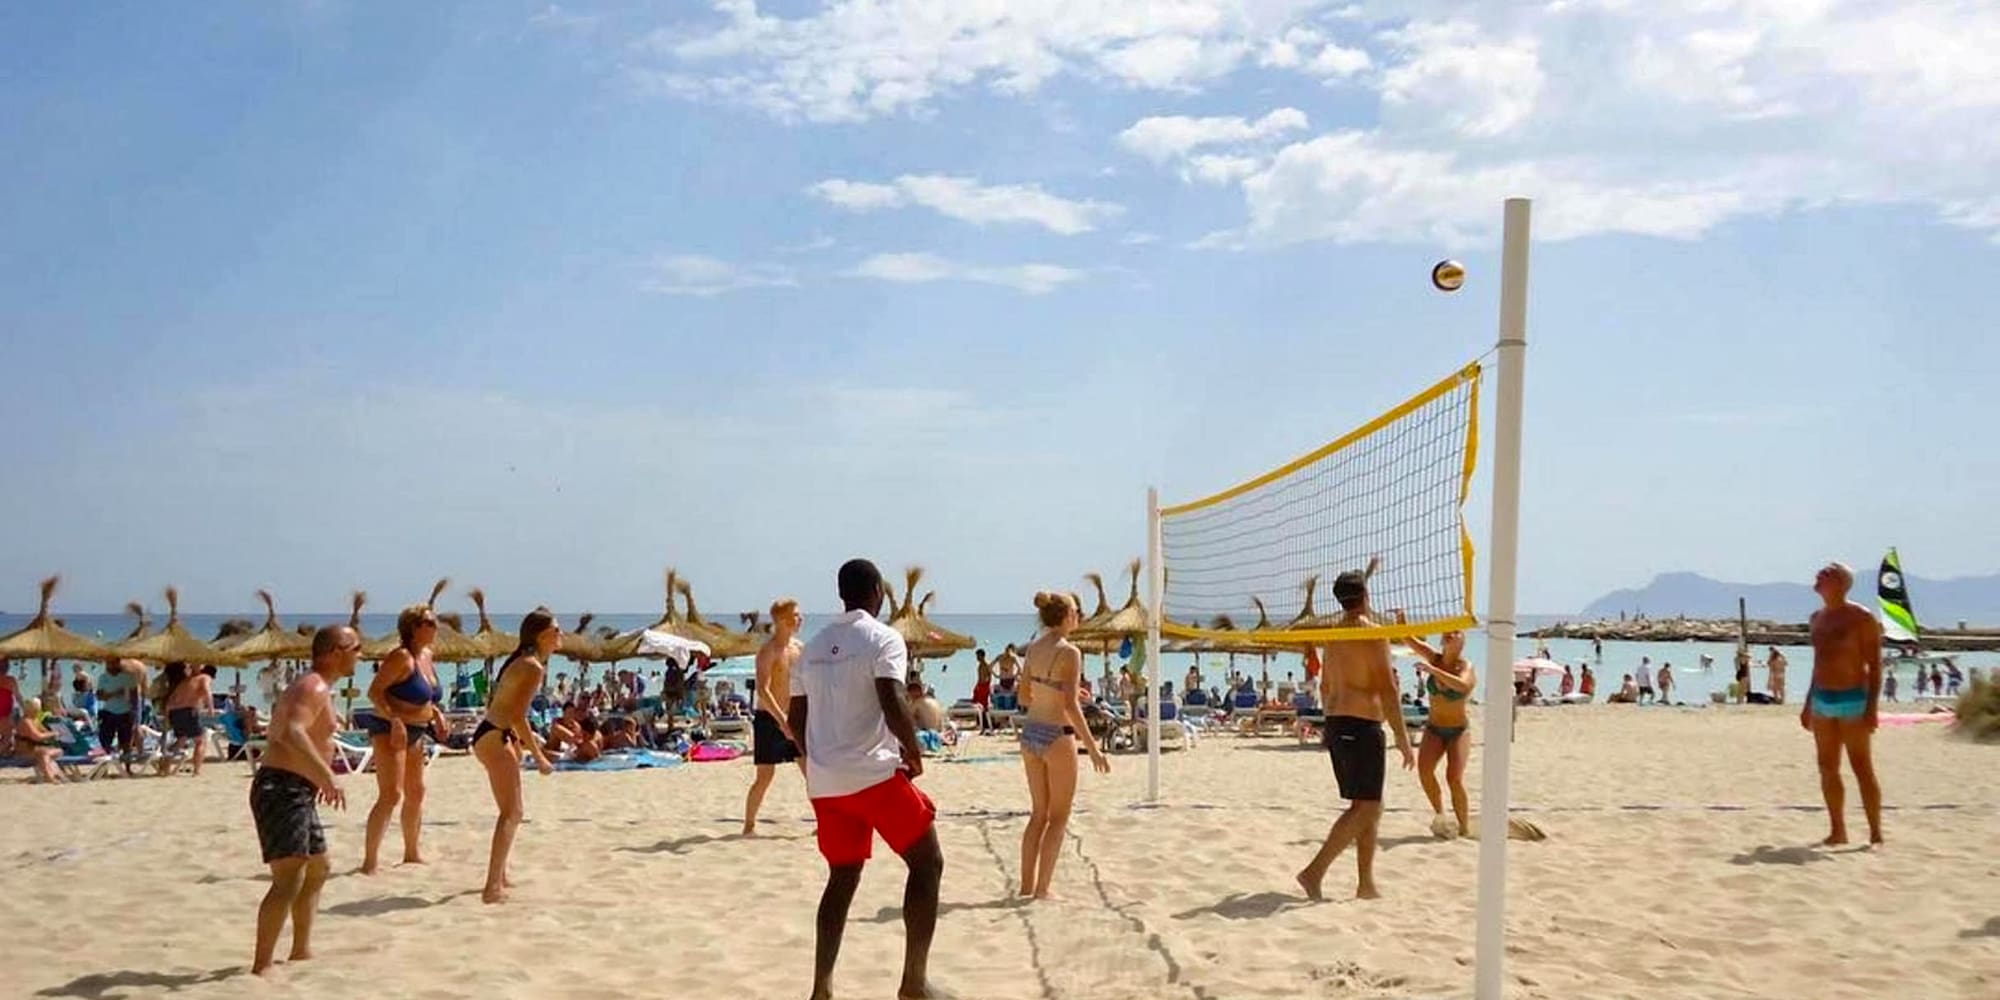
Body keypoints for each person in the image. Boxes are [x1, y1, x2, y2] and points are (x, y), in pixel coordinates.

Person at [790, 559, 944, 1000]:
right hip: (872, 775)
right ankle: (914, 982)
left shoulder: (813, 647)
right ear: (877, 591)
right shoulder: (883, 637)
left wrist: (815, 758)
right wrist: (914, 753)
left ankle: (821, 988)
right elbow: (892, 698)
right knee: (927, 863)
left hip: (827, 783)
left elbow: (796, 718)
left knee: (841, 877)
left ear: (842, 593)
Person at [1296, 568, 1415, 901]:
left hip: (1338, 722)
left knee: (1368, 805)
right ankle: (1313, 872)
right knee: (1366, 808)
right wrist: (1403, 739)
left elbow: (1326, 686)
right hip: (1360, 725)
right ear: (1365, 596)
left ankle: (1366, 884)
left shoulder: (1333, 635)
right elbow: (1387, 689)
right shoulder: (1372, 633)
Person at [249, 625, 357, 975]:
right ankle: (262, 964)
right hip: (281, 788)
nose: (360, 653)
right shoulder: (313, 685)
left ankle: (300, 950)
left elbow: (284, 730)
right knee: (289, 876)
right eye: (355, 647)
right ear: (335, 651)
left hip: (298, 790)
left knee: (318, 867)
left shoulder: (321, 689)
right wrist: (327, 776)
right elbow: (290, 731)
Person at [1017, 592, 1110, 900]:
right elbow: (1070, 706)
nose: (1079, 616)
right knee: (1058, 817)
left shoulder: (1033, 648)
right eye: (1076, 611)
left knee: (1038, 815)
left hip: (1030, 732)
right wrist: (1093, 747)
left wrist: (1054, 694)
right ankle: (1043, 889)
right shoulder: (1070, 652)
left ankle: (1026, 887)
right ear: (1067, 615)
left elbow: (1024, 697)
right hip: (1057, 734)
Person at [472, 608, 557, 903]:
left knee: (509, 811)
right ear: (542, 635)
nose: (560, 635)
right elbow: (519, 716)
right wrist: (540, 756)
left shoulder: (521, 660)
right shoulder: (533, 666)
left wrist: (519, 744)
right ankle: (492, 887)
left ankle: (501, 876)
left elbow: (506, 708)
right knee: (513, 812)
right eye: (556, 631)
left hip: (492, 734)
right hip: (495, 736)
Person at [1801, 563, 1884, 846]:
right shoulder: (1816, 618)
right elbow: (1818, 664)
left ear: (1839, 582)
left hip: (1853, 699)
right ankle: (1838, 829)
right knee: (1827, 766)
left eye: (1824, 572)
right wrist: (1808, 702)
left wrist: (1872, 708)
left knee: (1861, 766)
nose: (1818, 575)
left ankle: (1875, 832)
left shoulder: (1861, 618)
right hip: (1823, 699)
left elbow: (1874, 665)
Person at [361, 604, 447, 874]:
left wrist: (436, 713)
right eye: (430, 623)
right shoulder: (400, 657)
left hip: (418, 730)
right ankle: (370, 861)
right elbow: (375, 693)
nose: (436, 628)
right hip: (390, 729)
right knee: (390, 794)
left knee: (417, 792)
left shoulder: (427, 656)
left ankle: (412, 852)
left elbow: (426, 697)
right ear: (414, 627)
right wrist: (394, 719)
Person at [1402, 625, 1476, 837]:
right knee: (1425, 772)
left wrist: (1435, 672)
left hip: (1459, 730)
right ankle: (1441, 815)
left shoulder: (1465, 666)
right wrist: (1402, 621)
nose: (1451, 633)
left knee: (1454, 778)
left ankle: (1464, 827)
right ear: (1442, 640)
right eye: (1448, 632)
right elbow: (1410, 640)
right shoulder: (1434, 658)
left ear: (1463, 641)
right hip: (1434, 728)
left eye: (1457, 631)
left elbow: (1464, 686)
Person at [745, 598, 807, 837]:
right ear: (781, 620)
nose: (800, 619)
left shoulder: (800, 649)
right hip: (769, 718)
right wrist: (782, 720)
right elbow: (763, 689)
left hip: (795, 718)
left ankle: (824, 822)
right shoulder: (768, 650)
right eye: (795, 615)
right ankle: (749, 824)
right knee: (765, 775)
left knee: (810, 770)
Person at [162, 661, 213, 774]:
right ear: (202, 666)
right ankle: (196, 770)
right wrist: (211, 708)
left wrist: (167, 717)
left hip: (175, 712)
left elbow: (171, 700)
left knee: (181, 740)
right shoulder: (204, 677)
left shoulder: (184, 681)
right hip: (189, 710)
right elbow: (207, 690)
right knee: (200, 741)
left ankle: (166, 766)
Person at [11, 697, 67, 783]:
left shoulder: (35, 720)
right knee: (44, 754)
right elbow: (37, 736)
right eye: (38, 708)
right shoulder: (26, 721)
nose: (39, 710)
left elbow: (44, 732)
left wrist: (53, 733)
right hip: (24, 752)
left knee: (51, 752)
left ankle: (52, 776)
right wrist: (54, 733)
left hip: (33, 749)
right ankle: (50, 777)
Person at [95, 657, 143, 754]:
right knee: (105, 740)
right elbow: (99, 696)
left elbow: (135, 696)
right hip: (109, 711)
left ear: (118, 663)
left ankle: (127, 766)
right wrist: (115, 693)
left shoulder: (128, 677)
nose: (109, 666)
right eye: (108, 664)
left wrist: (135, 713)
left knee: (126, 742)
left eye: (112, 663)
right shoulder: (103, 677)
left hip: (125, 712)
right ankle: (106, 765)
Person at [970, 648, 994, 732]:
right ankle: (981, 724)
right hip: (980, 685)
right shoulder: (980, 665)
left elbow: (990, 675)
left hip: (984, 686)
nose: (977, 657)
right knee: (979, 705)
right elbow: (979, 677)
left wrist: (987, 684)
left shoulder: (986, 664)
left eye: (978, 656)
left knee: (984, 705)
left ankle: (986, 724)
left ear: (982, 656)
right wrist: (977, 685)